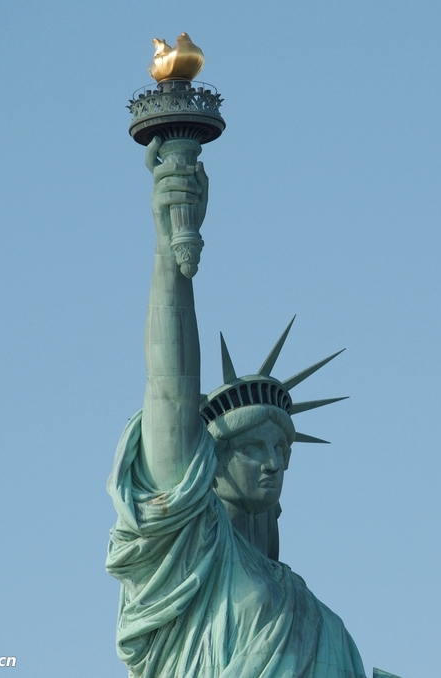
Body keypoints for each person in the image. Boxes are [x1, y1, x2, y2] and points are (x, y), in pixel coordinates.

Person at [105, 137, 366, 678]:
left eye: (281, 449)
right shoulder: (190, 554)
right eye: (253, 447)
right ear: (208, 464)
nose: (272, 462)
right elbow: (170, 387)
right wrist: (168, 250)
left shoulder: (320, 620)